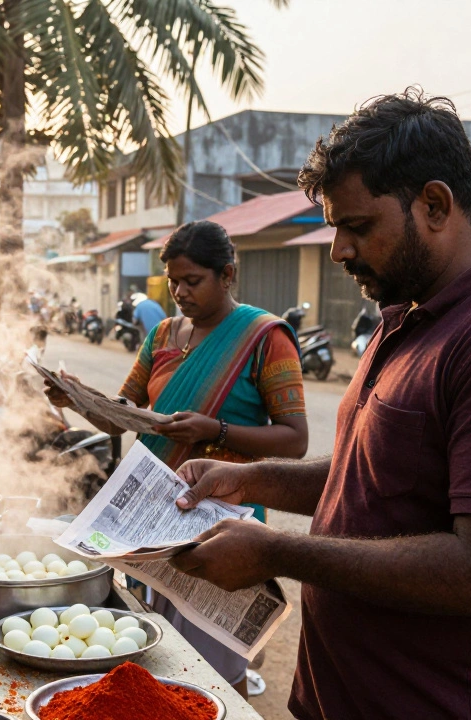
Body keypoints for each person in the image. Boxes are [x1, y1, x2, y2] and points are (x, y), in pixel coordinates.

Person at [168, 90, 471, 719]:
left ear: (434, 204)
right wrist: (247, 478)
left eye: (358, 226)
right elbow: (368, 479)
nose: (338, 249)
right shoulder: (407, 317)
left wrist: (275, 551)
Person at [44, 220, 309, 694]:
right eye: (172, 281)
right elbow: (123, 414)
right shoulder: (163, 333)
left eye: (193, 281)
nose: (179, 292)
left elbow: (295, 439)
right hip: (154, 516)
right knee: (159, 655)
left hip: (221, 514)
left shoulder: (264, 337)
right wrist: (79, 400)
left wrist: (217, 430)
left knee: (211, 666)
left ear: (227, 274)